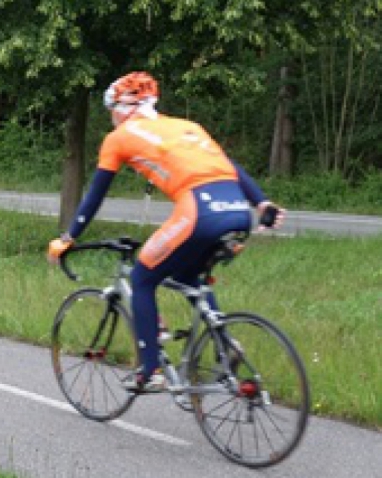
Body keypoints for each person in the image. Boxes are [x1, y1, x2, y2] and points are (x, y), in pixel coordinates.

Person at [46, 71, 286, 393]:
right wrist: (263, 204)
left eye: (112, 108)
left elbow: (96, 193)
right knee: (190, 276)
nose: (111, 117)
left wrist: (68, 238)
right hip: (237, 212)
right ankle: (224, 342)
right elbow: (232, 167)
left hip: (198, 211)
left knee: (143, 277)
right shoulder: (188, 127)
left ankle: (150, 370)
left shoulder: (119, 138)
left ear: (127, 106)